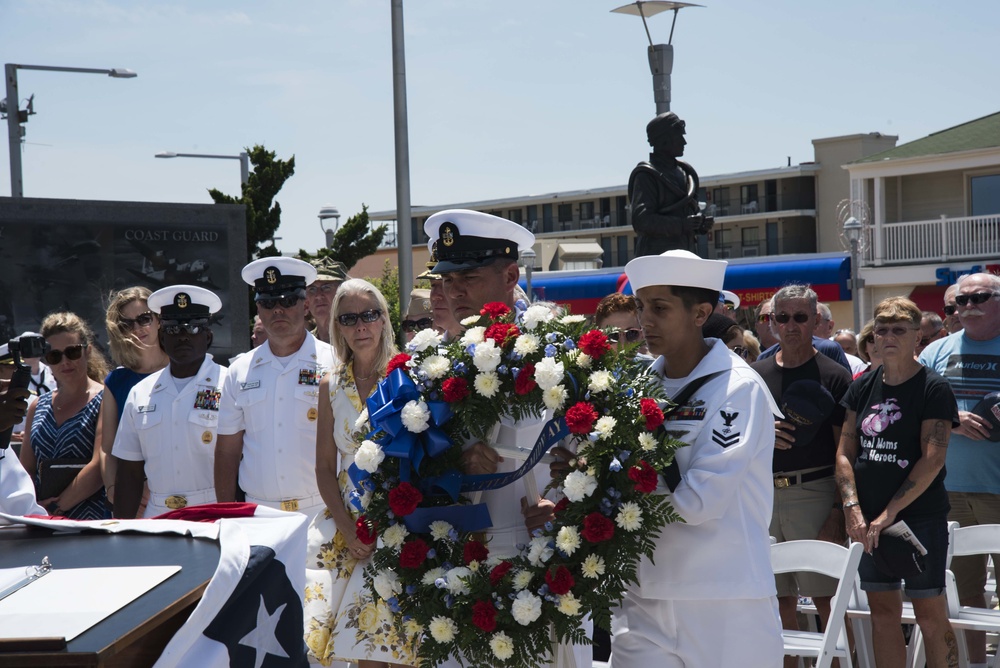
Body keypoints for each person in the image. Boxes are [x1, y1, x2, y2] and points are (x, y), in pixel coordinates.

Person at [424, 209, 590, 667]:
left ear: (511, 274)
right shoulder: (431, 362)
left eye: (468, 277)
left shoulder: (559, 354)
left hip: (542, 562)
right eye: (447, 279)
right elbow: (414, 464)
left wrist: (565, 510)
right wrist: (455, 466)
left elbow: (597, 457)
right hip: (457, 564)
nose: (453, 291)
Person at [609, 249, 782, 666]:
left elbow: (699, 502)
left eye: (660, 308)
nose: (644, 321)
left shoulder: (738, 389)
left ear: (701, 312)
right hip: (644, 594)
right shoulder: (638, 386)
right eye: (641, 306)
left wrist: (613, 492)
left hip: (723, 598)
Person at [836, 296, 960, 667]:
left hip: (918, 517)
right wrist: (853, 510)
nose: (888, 336)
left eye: (899, 330)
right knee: (883, 613)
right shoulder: (863, 386)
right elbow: (844, 452)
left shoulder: (933, 388)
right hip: (867, 518)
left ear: (916, 336)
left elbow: (933, 458)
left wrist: (890, 513)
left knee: (929, 616)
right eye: (882, 329)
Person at [305, 279, 415, 667]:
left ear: (384, 320)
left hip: (404, 523)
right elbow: (323, 467)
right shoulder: (330, 385)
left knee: (403, 649)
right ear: (337, 327)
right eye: (349, 318)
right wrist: (349, 530)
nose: (360, 326)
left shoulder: (408, 375)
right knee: (355, 651)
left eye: (369, 315)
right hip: (348, 526)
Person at [750, 284, 853, 663]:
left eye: (800, 317)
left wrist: (839, 512)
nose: (791, 325)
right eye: (782, 317)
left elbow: (847, 451)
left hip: (815, 491)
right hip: (763, 496)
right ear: (772, 321)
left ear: (815, 320)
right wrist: (760, 433)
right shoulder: (755, 375)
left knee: (827, 599)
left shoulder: (835, 376)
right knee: (775, 601)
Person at [919, 272, 1000, 666]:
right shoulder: (937, 352)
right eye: (960, 302)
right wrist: (952, 418)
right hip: (948, 491)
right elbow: (910, 403)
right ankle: (976, 663)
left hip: (998, 490)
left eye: (979, 297)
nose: (968, 307)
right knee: (965, 590)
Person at [216, 257, 336, 516]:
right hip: (259, 514)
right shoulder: (239, 371)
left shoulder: (335, 363)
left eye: (287, 300)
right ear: (258, 309)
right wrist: (226, 516)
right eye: (268, 302)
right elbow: (227, 451)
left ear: (305, 305)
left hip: (322, 510)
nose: (278, 310)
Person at [112, 286, 226, 519]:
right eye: (173, 329)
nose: (183, 336)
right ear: (162, 337)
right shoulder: (140, 392)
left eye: (193, 327)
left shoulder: (229, 385)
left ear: (208, 336)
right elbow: (129, 472)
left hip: (214, 512)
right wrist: (120, 532)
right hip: (158, 515)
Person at [20, 312, 110, 519]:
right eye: (55, 356)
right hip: (42, 520)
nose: (65, 361)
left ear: (87, 351)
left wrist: (56, 508)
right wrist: (36, 507)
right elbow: (26, 469)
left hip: (91, 521)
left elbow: (99, 465)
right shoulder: (37, 406)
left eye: (72, 352)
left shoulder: (107, 399)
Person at [99, 287, 169, 508]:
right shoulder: (116, 381)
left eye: (144, 319)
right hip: (133, 498)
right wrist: (114, 492)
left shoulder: (183, 371)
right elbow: (107, 449)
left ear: (159, 320)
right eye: (127, 324)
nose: (137, 328)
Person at [628, 112, 713, 257]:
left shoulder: (686, 173)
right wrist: (682, 225)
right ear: (664, 140)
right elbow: (642, 221)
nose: (684, 142)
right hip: (658, 261)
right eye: (679, 136)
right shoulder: (646, 175)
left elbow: (689, 212)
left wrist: (699, 223)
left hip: (687, 256)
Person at [306, 256, 350, 344]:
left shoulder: (356, 337)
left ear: (341, 292)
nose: (318, 296)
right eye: (312, 289)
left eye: (326, 287)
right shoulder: (305, 345)